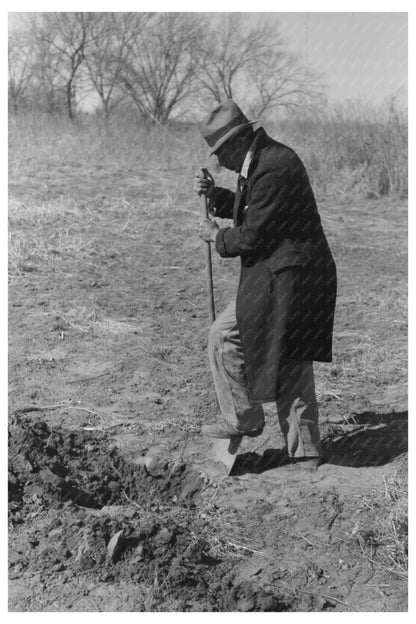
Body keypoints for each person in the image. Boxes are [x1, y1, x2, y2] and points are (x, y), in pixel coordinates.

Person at [194, 99, 337, 469]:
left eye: (219, 153)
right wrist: (216, 196)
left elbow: (254, 234)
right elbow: (252, 208)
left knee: (225, 336)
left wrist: (217, 236)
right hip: (289, 274)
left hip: (292, 278)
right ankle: (306, 453)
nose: (218, 162)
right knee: (291, 358)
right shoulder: (262, 160)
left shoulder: (273, 166)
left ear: (236, 142)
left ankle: (243, 418)